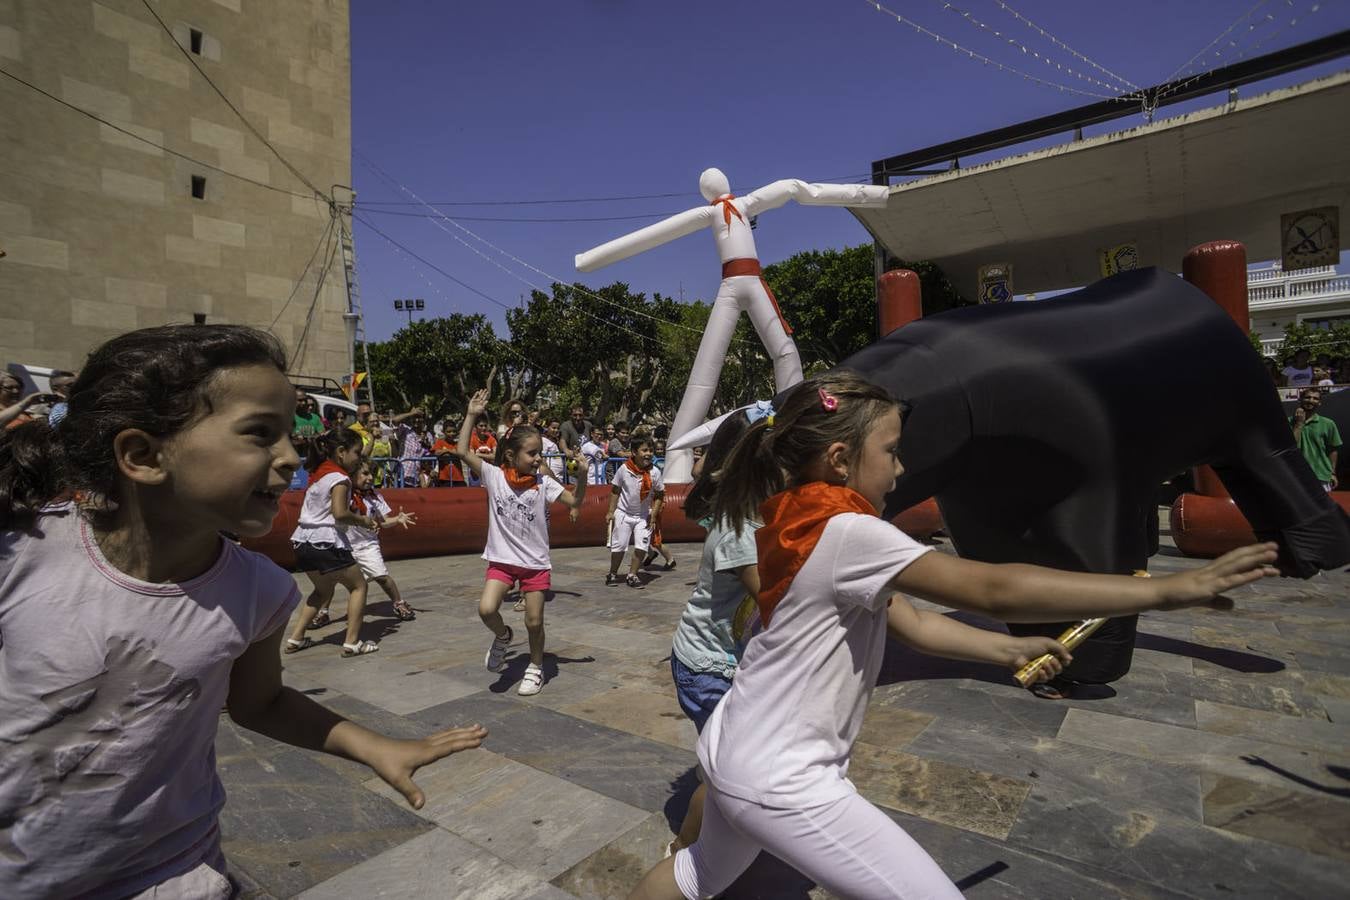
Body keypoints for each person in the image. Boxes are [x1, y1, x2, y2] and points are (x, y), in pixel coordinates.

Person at [628, 370, 1279, 900]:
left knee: (695, 874)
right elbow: (996, 587)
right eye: (889, 450)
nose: (900, 465)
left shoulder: (793, 516)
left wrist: (1005, 647)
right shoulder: (851, 532)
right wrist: (1167, 590)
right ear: (840, 459)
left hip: (732, 744)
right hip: (780, 777)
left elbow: (908, 620)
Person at [0, 324, 486, 898]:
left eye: (289, 436)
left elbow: (262, 701)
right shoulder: (23, 552)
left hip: (175, 873)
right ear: (142, 455)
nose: (289, 458)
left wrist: (375, 746)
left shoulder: (259, 588)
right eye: (259, 434)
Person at [665, 408, 758, 857]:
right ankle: (684, 849)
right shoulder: (740, 529)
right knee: (730, 770)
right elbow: (777, 603)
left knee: (735, 761)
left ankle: (722, 839)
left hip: (720, 660)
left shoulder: (752, 515)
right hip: (706, 668)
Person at [457, 389, 588, 696]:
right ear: (510, 457)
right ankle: (503, 637)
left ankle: (536, 666)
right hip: (502, 560)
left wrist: (581, 475)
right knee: (487, 609)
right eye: (532, 453)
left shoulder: (544, 483)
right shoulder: (494, 476)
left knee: (534, 621)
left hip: (534, 563)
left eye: (540, 452)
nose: (539, 458)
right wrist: (471, 414)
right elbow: (463, 452)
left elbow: (574, 501)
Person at [283, 428, 383, 656]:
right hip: (325, 541)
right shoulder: (340, 478)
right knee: (359, 586)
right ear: (341, 452)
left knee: (321, 591)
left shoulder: (319, 474)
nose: (359, 457)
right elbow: (339, 513)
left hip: (302, 541)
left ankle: (296, 638)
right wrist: (363, 520)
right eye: (357, 452)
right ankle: (352, 642)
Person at [605, 432, 665, 588]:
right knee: (619, 546)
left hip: (643, 516)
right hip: (623, 514)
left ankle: (632, 575)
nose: (648, 454)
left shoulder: (655, 473)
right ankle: (612, 573)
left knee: (641, 547)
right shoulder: (624, 469)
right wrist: (611, 512)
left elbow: (659, 495)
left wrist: (653, 516)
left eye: (650, 451)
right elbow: (615, 490)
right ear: (634, 453)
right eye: (644, 450)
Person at [1291, 387, 1342, 492]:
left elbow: (1333, 450)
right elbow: (1290, 446)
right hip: (1295, 477)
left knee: (1322, 508)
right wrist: (1299, 424)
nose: (1311, 400)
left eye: (1315, 398)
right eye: (1307, 397)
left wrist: (1332, 473)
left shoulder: (1328, 424)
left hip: (1321, 476)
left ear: (1319, 403)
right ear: (1300, 400)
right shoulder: (1288, 422)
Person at [468, 417, 497, 486]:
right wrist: (489, 456)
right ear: (475, 427)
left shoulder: (491, 439)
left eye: (485, 426)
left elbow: (495, 456)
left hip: (489, 472)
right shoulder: (471, 439)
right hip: (475, 472)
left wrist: (479, 455)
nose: (483, 428)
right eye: (481, 426)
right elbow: (472, 457)